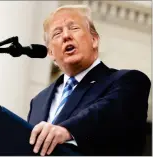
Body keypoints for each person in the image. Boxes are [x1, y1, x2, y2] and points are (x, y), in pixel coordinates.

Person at [27, 4, 151, 156]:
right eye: (57, 33)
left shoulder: (128, 81)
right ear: (51, 53)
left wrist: (68, 130)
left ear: (94, 40)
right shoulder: (38, 101)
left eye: (74, 28)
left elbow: (106, 113)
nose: (66, 36)